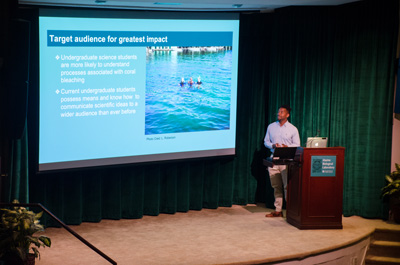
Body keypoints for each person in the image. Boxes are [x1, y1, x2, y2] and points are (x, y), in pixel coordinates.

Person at [264, 104, 300, 217]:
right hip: (274, 160)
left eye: (282, 112)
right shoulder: (271, 126)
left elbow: (297, 145)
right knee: (276, 186)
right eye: (278, 112)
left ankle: (290, 210)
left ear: (287, 115)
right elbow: (266, 142)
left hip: (286, 162)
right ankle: (278, 210)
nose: (279, 114)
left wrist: (286, 148)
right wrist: (273, 145)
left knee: (286, 186)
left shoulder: (293, 129)